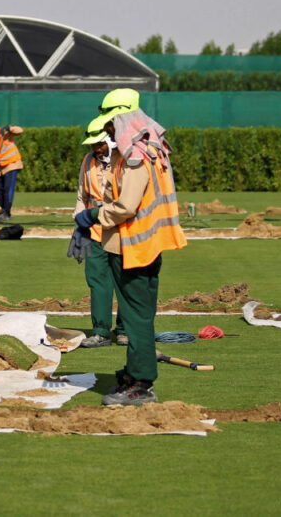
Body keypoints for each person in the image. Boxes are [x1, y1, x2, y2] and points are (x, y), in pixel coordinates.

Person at [75, 103, 186, 406]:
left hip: (134, 247)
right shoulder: (153, 151)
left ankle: (141, 384)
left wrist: (94, 216)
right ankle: (136, 372)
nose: (109, 130)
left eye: (111, 123)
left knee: (136, 319)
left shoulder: (136, 157)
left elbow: (126, 206)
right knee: (141, 316)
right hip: (144, 245)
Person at [70, 114, 125, 348]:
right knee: (97, 281)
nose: (96, 149)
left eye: (99, 144)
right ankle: (101, 331)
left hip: (122, 229)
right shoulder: (87, 161)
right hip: (94, 231)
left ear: (111, 141)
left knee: (125, 282)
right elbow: (82, 197)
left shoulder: (125, 160)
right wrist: (79, 226)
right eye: (93, 145)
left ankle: (125, 330)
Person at [0, 125, 24, 221]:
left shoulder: (3, 133)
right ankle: (5, 210)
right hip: (0, 169)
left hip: (12, 164)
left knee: (8, 190)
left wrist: (9, 128)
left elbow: (20, 130)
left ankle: (6, 213)